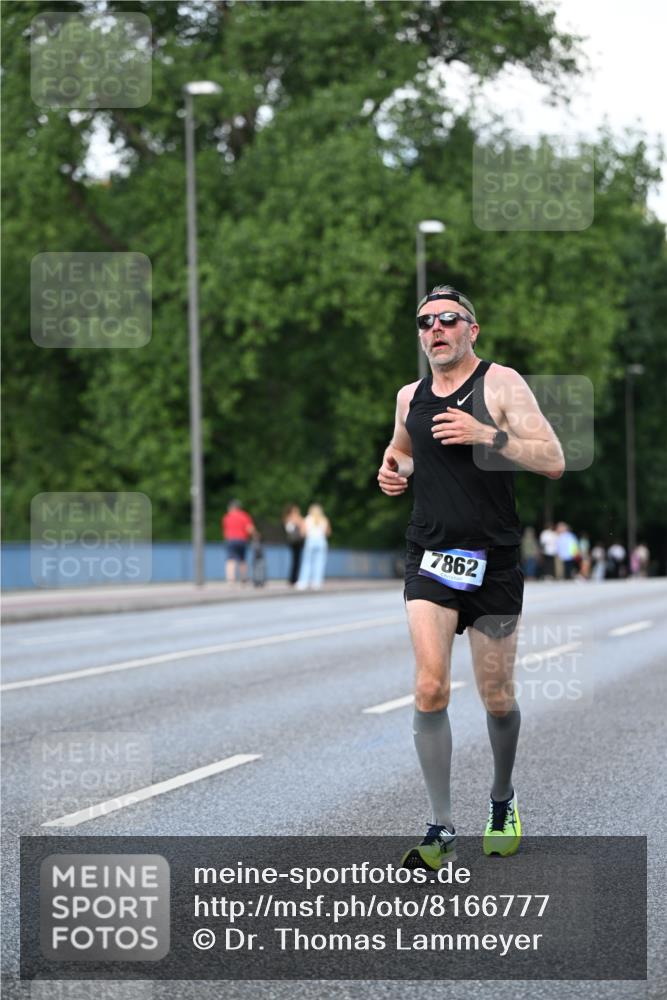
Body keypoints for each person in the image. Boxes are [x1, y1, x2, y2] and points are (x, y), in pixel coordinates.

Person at [377, 283, 564, 868]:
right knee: (430, 686)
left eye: (448, 320)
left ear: (471, 330)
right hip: (430, 556)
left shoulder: (501, 383)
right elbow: (403, 450)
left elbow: (553, 459)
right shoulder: (410, 396)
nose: (436, 329)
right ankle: (440, 827)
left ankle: (502, 799)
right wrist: (393, 470)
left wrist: (486, 434)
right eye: (425, 321)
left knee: (497, 696)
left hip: (495, 562)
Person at [296, 504, 331, 590]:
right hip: (321, 542)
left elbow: (303, 532)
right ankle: (317, 582)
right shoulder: (324, 520)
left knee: (307, 563)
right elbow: (328, 533)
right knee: (319, 563)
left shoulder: (307, 519)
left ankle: (303, 582)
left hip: (310, 541)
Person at [221, 499, 254, 583]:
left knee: (230, 560)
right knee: (242, 559)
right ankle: (243, 578)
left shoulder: (227, 517)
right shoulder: (244, 516)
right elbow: (249, 529)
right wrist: (256, 535)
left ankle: (230, 580)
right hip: (242, 540)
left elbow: (225, 529)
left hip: (230, 540)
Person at [282, 504, 305, 585]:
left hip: (298, 542)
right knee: (295, 560)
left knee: (297, 560)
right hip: (294, 542)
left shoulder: (297, 518)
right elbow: (291, 528)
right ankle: (293, 579)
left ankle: (295, 578)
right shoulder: (289, 519)